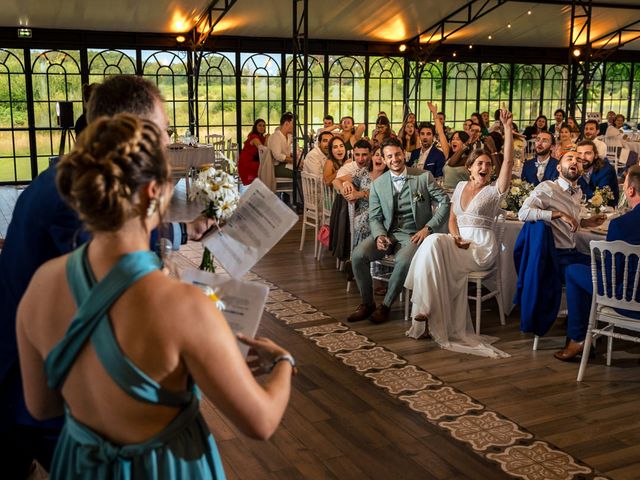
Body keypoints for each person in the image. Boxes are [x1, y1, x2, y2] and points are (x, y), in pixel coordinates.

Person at [16, 114, 294, 478]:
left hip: (80, 467)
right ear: (153, 192)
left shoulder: (41, 285)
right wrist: (283, 362)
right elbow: (260, 422)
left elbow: (40, 406)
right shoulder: (184, 305)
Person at [0, 75, 213, 478]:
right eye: (162, 131)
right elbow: (119, 317)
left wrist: (189, 230)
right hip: (40, 397)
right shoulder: (74, 204)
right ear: (133, 132)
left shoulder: (78, 183)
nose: (168, 145)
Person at [404, 108, 515, 358]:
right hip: (460, 241)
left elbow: (507, 162)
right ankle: (425, 309)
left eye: (488, 164)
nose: (484, 167)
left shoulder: (495, 190)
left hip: (482, 248)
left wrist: (506, 129)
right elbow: (453, 220)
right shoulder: (462, 185)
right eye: (480, 163)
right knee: (433, 242)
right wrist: (455, 236)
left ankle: (422, 307)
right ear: (470, 167)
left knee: (432, 243)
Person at [347, 138, 450, 325]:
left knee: (403, 260)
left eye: (397, 154)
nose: (394, 159)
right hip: (387, 233)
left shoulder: (423, 176)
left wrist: (428, 228)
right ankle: (367, 303)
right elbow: (375, 216)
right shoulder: (378, 184)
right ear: (384, 160)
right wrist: (379, 235)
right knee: (358, 255)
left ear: (404, 154)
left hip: (415, 234)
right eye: (389, 156)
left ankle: (385, 306)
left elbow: (445, 202)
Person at [556, 165, 640, 361]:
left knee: (574, 271)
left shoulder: (621, 224)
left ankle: (579, 339)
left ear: (630, 191)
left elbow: (613, 277)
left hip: (629, 301)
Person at [519, 150, 606, 275]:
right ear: (558, 168)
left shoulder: (578, 193)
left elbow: (568, 225)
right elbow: (523, 213)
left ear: (582, 170)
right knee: (600, 276)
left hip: (573, 253)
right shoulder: (548, 188)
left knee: (608, 268)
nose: (575, 161)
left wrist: (586, 222)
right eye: (569, 158)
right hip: (555, 257)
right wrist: (559, 214)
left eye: (579, 160)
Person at [341, 146, 387, 246]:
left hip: (382, 211)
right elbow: (339, 180)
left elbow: (381, 196)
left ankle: (366, 254)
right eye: (377, 155)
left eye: (383, 156)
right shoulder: (364, 172)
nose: (379, 158)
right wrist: (346, 184)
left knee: (367, 220)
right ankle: (358, 254)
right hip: (362, 210)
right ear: (372, 157)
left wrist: (360, 194)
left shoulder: (388, 176)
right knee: (362, 220)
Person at [576, 140, 619, 206]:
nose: (583, 157)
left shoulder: (606, 170)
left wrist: (580, 175)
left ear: (595, 155)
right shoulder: (574, 168)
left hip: (606, 211)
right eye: (579, 153)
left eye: (588, 153)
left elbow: (597, 199)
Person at [238, 118, 268, 186]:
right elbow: (263, 150)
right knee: (266, 167)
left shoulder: (261, 137)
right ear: (255, 127)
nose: (262, 127)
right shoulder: (254, 137)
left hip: (253, 160)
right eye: (260, 125)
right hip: (247, 163)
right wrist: (267, 139)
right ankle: (266, 188)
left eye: (263, 126)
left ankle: (265, 187)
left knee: (267, 165)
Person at [267, 112, 294, 178]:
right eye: (293, 124)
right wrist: (293, 161)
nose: (294, 126)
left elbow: (288, 152)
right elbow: (277, 156)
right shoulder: (276, 136)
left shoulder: (289, 136)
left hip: (285, 164)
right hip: (276, 167)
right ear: (286, 123)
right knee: (300, 174)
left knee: (303, 171)